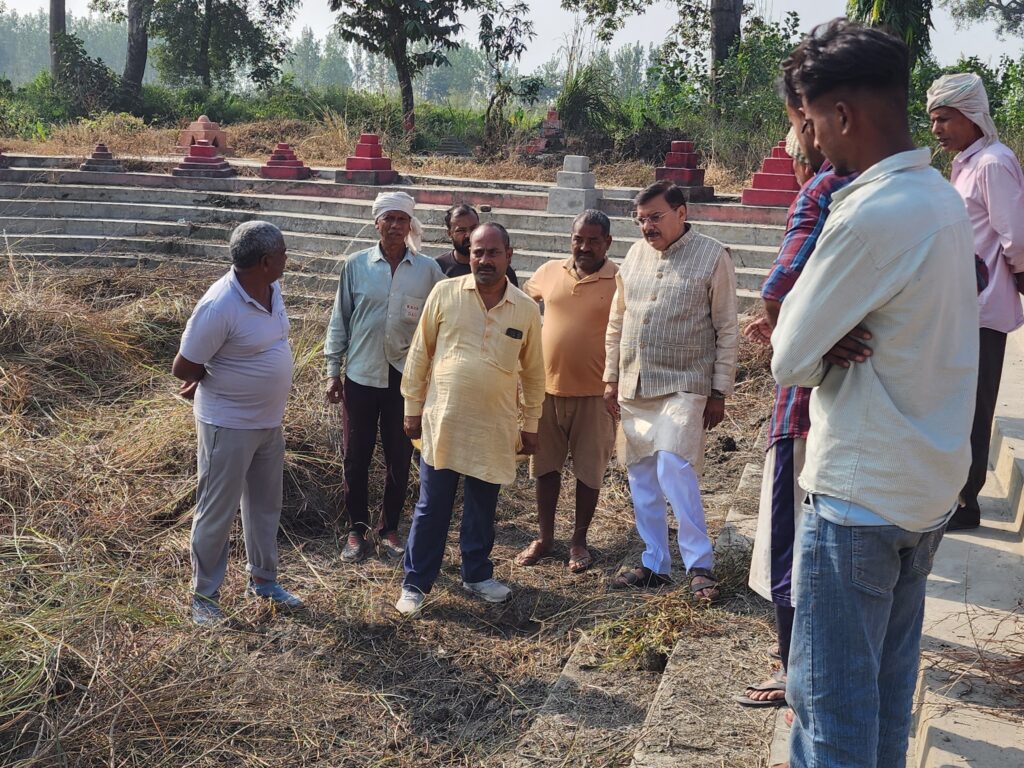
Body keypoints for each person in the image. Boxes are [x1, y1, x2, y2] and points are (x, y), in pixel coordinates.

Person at [772, 20, 978, 767]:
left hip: (858, 501)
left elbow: (788, 355)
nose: (814, 141)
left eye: (814, 121)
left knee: (830, 717)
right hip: (921, 494)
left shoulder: (869, 213)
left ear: (843, 115)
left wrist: (825, 335)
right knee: (885, 709)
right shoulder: (940, 196)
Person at [737, 79, 857, 712]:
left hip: (806, 407)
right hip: (865, 411)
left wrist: (798, 326)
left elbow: (780, 283)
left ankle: (794, 670)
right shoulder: (917, 196)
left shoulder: (825, 192)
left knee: (791, 540)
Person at [397, 222, 545, 616]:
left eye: (493, 252)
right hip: (443, 419)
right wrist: (412, 407)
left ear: (509, 256)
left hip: (494, 425)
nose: (484, 260)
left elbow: (533, 374)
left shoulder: (526, 309)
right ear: (469, 254)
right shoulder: (445, 293)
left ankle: (476, 573)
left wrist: (530, 424)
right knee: (432, 506)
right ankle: (415, 582)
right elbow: (420, 354)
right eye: (478, 252)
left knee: (483, 504)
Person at [604, 180, 738, 600]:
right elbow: (617, 321)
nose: (647, 227)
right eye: (642, 219)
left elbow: (727, 327)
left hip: (686, 382)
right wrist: (611, 377)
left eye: (656, 217)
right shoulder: (634, 254)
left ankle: (700, 565)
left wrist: (719, 391)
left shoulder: (713, 256)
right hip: (635, 382)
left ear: (681, 212)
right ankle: (655, 562)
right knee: (641, 474)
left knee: (671, 465)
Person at [173, 221, 303, 625]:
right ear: (266, 262)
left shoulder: (271, 288)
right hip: (227, 425)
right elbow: (184, 366)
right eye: (283, 252)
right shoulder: (220, 305)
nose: (287, 258)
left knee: (265, 506)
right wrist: (210, 380)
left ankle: (263, 581)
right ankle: (204, 597)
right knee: (217, 511)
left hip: (268, 423)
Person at [324, 191, 445, 563]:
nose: (394, 226)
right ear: (376, 223)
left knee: (399, 455)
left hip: (405, 380)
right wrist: (332, 371)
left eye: (401, 220)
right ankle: (356, 530)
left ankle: (390, 527)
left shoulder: (428, 271)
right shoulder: (356, 265)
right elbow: (339, 319)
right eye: (388, 219)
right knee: (355, 456)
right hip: (360, 375)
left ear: (410, 226)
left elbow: (441, 322)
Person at [927, 72, 1024, 531]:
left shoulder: (992, 163)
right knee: (953, 402)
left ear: (971, 116)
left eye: (944, 119)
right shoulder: (966, 162)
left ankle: (967, 503)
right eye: (933, 120)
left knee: (974, 404)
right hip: (959, 305)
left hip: (983, 307)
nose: (937, 129)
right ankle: (950, 493)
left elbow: (1016, 237)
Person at [514, 210, 618, 573]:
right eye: (578, 239)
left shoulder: (620, 279)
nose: (584, 247)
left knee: (589, 473)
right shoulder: (548, 272)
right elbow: (521, 308)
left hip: (596, 396)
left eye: (592, 240)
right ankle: (545, 538)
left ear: (607, 243)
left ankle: (578, 540)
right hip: (545, 392)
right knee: (544, 468)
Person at [436, 203, 519, 286]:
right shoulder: (438, 268)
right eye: (461, 230)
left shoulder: (496, 268)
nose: (468, 234)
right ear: (450, 234)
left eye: (473, 228)